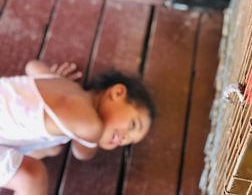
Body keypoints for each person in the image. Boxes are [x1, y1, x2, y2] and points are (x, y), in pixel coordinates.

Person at [0, 60, 155, 195]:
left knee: (53, 147)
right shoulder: (91, 126)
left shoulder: (62, 84)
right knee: (33, 177)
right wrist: (93, 139)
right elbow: (81, 153)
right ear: (117, 93)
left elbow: (32, 66)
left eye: (128, 142)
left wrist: (51, 76)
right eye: (133, 125)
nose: (124, 138)